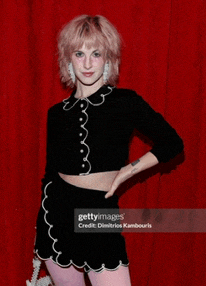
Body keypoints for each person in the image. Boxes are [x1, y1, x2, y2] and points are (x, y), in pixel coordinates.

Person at [34, 15, 184, 286]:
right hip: (55, 215)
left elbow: (172, 143)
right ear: (68, 58)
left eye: (96, 53)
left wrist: (128, 170)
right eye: (80, 54)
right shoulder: (56, 113)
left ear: (108, 59)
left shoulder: (125, 102)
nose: (88, 63)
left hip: (98, 213)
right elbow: (49, 174)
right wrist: (42, 227)